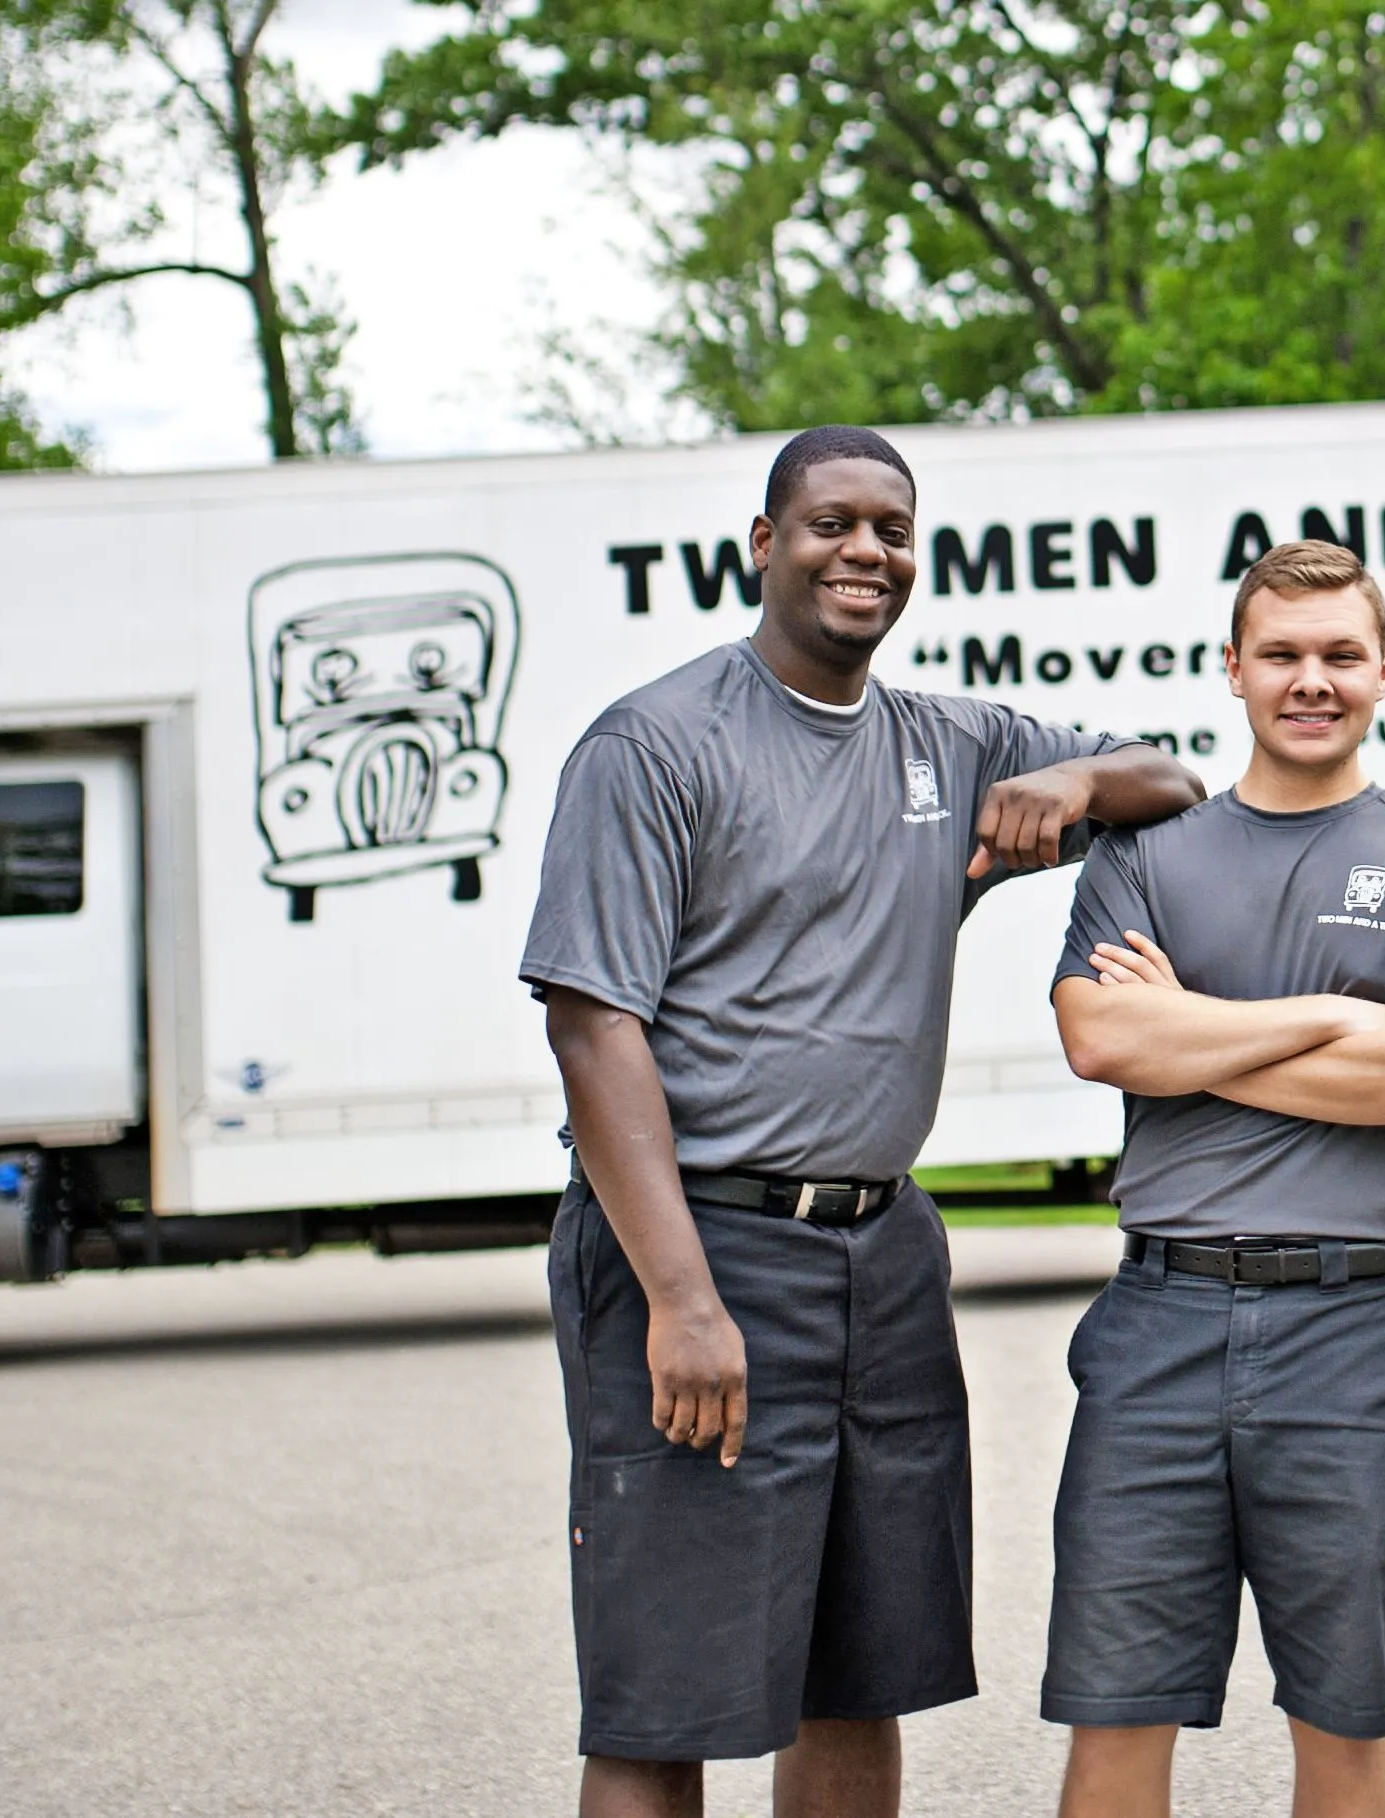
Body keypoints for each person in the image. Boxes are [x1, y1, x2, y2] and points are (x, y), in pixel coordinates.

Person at [518, 425, 1205, 1818]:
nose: (865, 551)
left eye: (890, 528)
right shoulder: (655, 744)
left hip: (880, 1255)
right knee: (671, 1690)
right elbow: (594, 1028)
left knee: (857, 1673)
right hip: (703, 1244)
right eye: (830, 523)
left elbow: (1172, 779)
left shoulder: (950, 744)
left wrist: (1072, 784)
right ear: (762, 545)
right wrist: (680, 1297)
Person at [1041, 540, 1385, 1818]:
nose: (1313, 681)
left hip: (1355, 1331)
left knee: (1340, 1719)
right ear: (1234, 671)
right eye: (1284, 656)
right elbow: (1099, 1039)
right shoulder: (1145, 853)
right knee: (1115, 1715)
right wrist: (1336, 1016)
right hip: (1159, 1325)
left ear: (1382, 670)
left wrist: (1191, 1032)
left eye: (1339, 656)